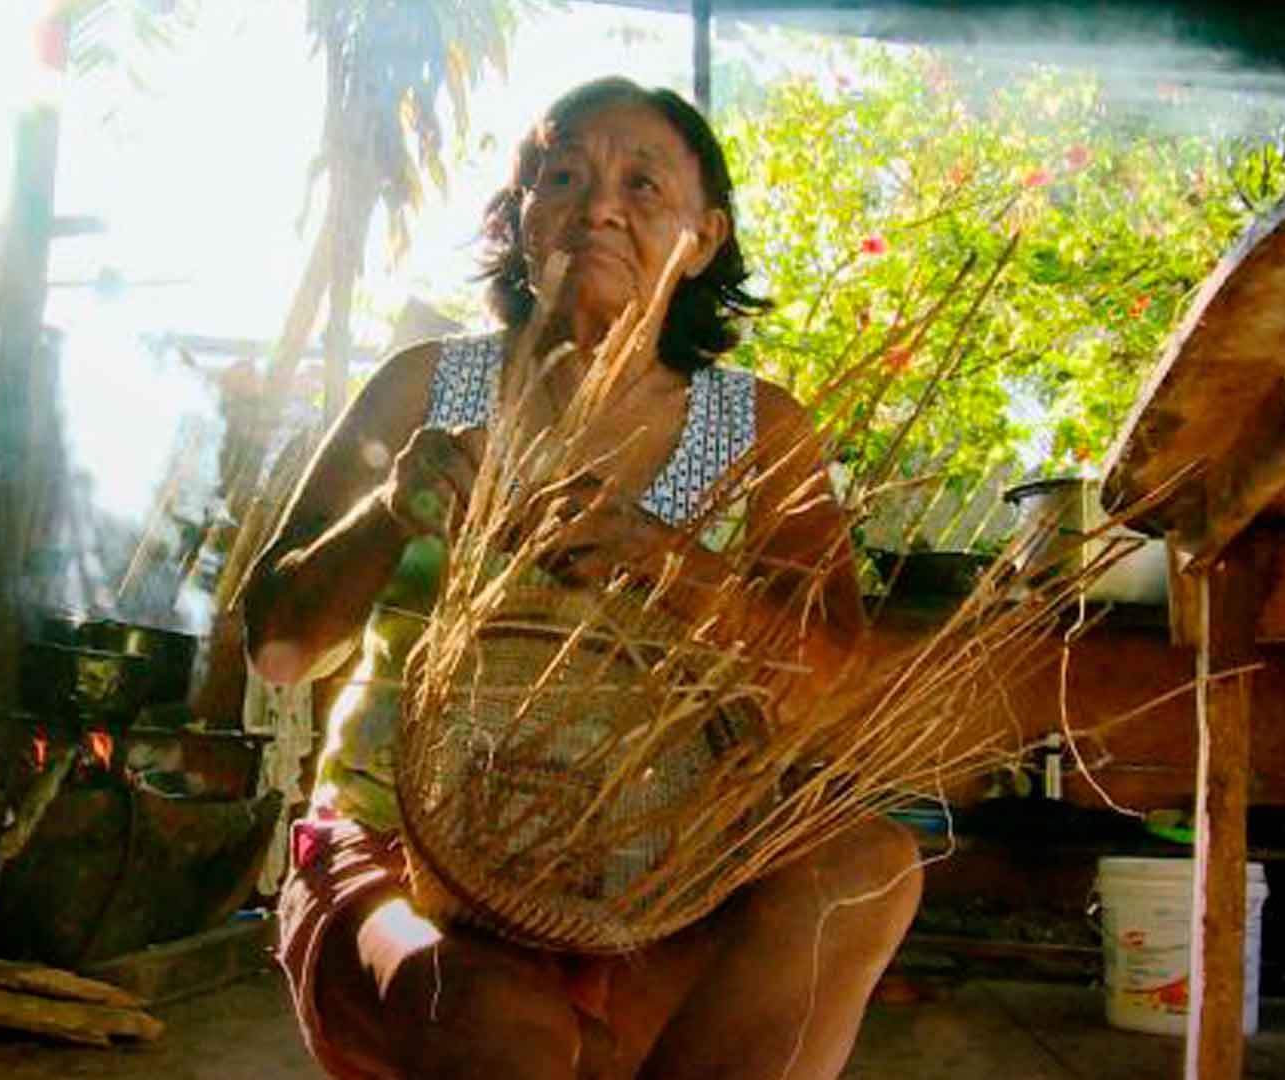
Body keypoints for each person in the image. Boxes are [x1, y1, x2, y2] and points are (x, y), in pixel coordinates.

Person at [242, 76, 921, 1080]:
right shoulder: (426, 387)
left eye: (643, 185)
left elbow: (831, 688)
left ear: (704, 238)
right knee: (502, 1027)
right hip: (397, 870)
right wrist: (391, 509)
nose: (599, 207)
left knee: (866, 865)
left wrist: (660, 561)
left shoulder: (757, 432)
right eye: (563, 178)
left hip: (652, 886)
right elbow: (277, 644)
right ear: (520, 219)